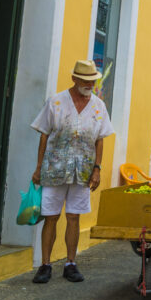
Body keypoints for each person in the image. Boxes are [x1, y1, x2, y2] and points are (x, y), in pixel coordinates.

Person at [30, 60, 114, 284]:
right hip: (55, 168)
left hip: (83, 171)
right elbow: (44, 135)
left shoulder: (98, 106)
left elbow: (100, 140)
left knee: (74, 217)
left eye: (92, 80)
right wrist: (38, 168)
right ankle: (45, 264)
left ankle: (70, 263)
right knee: (51, 217)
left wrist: (97, 169)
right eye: (85, 80)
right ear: (74, 79)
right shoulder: (56, 102)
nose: (90, 84)